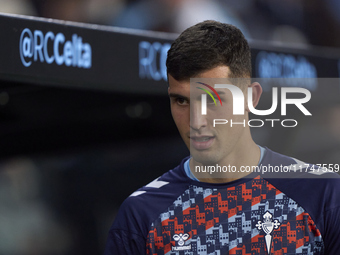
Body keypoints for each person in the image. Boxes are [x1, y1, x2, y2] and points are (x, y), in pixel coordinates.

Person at [104, 20, 340, 255]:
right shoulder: (142, 214)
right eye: (181, 101)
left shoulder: (323, 194)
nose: (196, 121)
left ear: (251, 97)